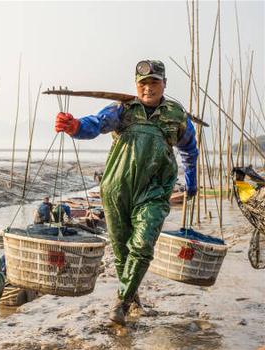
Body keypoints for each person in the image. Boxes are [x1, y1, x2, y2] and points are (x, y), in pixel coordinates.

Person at [55, 59, 198, 325]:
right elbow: (96, 124)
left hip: (154, 190)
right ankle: (133, 300)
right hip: (117, 188)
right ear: (136, 84)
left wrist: (191, 181)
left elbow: (189, 150)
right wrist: (74, 126)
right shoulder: (122, 110)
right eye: (143, 83)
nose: (148, 88)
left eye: (154, 82)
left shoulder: (176, 116)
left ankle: (121, 301)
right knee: (121, 252)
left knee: (142, 245)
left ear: (164, 84)